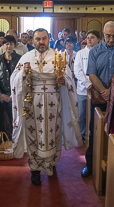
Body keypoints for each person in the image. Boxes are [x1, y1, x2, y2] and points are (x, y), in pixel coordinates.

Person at [11, 28, 82, 186]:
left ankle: (50, 164)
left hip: (53, 105)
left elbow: (70, 80)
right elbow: (14, 80)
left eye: (44, 39)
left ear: (48, 39)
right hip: (32, 105)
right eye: (37, 39)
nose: (41, 42)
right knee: (34, 136)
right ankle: (34, 170)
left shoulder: (57, 57)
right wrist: (23, 72)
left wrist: (63, 81)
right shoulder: (26, 57)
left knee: (52, 135)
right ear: (33, 40)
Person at [82, 21, 114, 177]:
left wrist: (112, 91)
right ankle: (90, 165)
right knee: (94, 132)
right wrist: (104, 91)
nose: (111, 39)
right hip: (99, 97)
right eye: (108, 36)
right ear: (103, 34)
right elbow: (91, 74)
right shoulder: (95, 51)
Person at [0, 35, 22, 138]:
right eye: (6, 44)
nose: (9, 46)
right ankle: (3, 141)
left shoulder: (19, 59)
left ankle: (15, 142)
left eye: (11, 44)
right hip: (1, 96)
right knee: (2, 122)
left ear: (14, 45)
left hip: (16, 95)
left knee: (15, 121)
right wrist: (0, 94)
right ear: (3, 45)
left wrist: (15, 93)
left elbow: (22, 79)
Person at [74, 30, 100, 142]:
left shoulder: (101, 52)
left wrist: (96, 85)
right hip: (83, 89)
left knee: (95, 115)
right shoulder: (80, 53)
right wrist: (88, 83)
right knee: (82, 114)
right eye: (88, 37)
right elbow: (77, 70)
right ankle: (82, 136)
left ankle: (94, 136)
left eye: (92, 37)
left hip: (98, 89)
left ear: (98, 40)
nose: (89, 39)